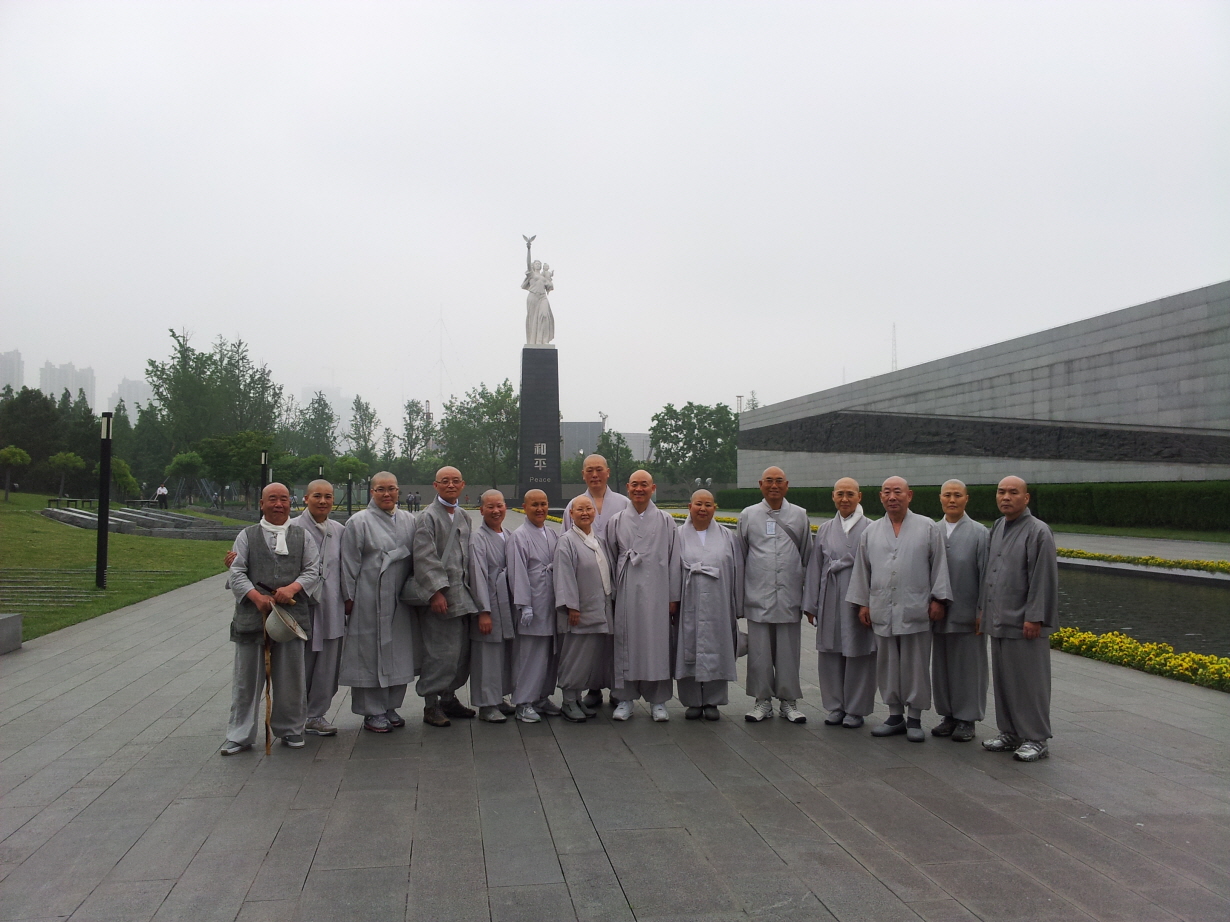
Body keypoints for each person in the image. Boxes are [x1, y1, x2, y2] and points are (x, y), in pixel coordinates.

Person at [847, 476, 952, 743]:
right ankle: (895, 715)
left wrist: (939, 600)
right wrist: (863, 603)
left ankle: (914, 717)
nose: (892, 497)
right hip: (882, 607)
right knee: (887, 664)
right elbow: (862, 570)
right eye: (887, 492)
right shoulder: (870, 531)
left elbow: (939, 565)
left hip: (916, 607)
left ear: (909, 495)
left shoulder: (927, 527)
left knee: (916, 664)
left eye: (897, 492)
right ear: (880, 497)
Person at [221, 482, 320, 755]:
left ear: (291, 503)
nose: (279, 504)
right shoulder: (247, 535)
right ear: (262, 504)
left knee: (291, 678)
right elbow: (237, 571)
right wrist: (256, 597)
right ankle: (240, 734)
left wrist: (292, 589)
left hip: (291, 619)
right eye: (272, 499)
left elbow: (312, 570)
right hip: (252, 619)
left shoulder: (303, 536)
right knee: (246, 680)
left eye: (284, 499)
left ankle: (291, 729)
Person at [979, 476, 1059, 762]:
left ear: (1026, 498)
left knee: (1030, 682)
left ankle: (1036, 738)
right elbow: (989, 573)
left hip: (1025, 622)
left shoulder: (1038, 531)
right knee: (1004, 681)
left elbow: (1043, 577)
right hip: (999, 618)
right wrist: (984, 610)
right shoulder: (998, 526)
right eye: (1001, 492)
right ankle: (1010, 732)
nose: (1006, 497)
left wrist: (1035, 617)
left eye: (1013, 492)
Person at [339, 471, 416, 733]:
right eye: (381, 489)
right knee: (368, 653)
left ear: (398, 491)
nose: (387, 494)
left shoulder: (409, 520)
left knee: (398, 651)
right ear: (372, 492)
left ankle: (391, 705)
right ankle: (372, 711)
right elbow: (349, 564)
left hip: (399, 597)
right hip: (368, 597)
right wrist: (348, 598)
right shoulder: (358, 521)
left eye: (391, 488)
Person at [738, 466, 811, 724]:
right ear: (760, 484)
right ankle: (762, 701)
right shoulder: (748, 515)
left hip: (789, 596)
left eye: (779, 481)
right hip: (758, 596)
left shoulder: (800, 515)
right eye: (769, 481)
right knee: (759, 653)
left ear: (787, 485)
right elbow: (741, 556)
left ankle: (789, 702)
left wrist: (808, 597)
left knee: (788, 653)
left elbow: (807, 556)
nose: (774, 485)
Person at [605, 470, 679, 721]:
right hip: (627, 590)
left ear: (653, 488)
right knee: (626, 643)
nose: (639, 489)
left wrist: (673, 596)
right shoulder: (616, 520)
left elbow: (674, 559)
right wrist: (613, 591)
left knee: (657, 644)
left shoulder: (666, 520)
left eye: (644, 485)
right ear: (627, 487)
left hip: (658, 591)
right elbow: (610, 557)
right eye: (635, 485)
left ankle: (658, 700)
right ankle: (624, 698)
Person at [802, 477, 876, 729]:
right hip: (830, 595)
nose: (845, 499)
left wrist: (870, 602)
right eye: (840, 494)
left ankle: (856, 709)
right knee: (830, 651)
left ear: (859, 497)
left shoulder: (871, 528)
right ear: (833, 496)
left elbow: (876, 568)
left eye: (850, 494)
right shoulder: (824, 529)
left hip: (858, 598)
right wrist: (811, 604)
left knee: (859, 652)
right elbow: (815, 567)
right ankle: (835, 706)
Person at [409, 466, 479, 727]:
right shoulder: (427, 517)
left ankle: (448, 698)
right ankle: (431, 704)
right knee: (439, 653)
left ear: (463, 485)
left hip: (462, 596)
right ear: (435, 485)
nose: (451, 485)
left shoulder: (463, 516)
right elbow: (424, 557)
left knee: (459, 654)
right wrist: (436, 592)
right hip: (440, 599)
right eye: (445, 481)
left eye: (455, 481)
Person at [561, 453, 632, 710]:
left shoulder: (624, 503)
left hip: (618, 581)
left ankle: (617, 687)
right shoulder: (575, 504)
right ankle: (592, 687)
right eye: (589, 470)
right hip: (586, 587)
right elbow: (566, 549)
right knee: (589, 641)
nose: (594, 474)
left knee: (614, 640)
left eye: (599, 469)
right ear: (583, 474)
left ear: (608, 472)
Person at [671, 490, 743, 721]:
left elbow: (738, 570)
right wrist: (672, 600)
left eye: (708, 505)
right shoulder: (677, 535)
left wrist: (738, 603)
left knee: (718, 646)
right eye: (698, 504)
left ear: (715, 508)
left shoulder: (728, 536)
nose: (703, 509)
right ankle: (692, 700)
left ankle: (713, 700)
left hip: (719, 601)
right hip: (688, 600)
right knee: (687, 645)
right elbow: (670, 570)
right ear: (689, 506)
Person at [931, 479, 990, 743]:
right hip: (938, 613)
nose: (952, 500)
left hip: (968, 614)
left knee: (969, 667)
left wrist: (982, 611)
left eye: (957, 495)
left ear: (967, 499)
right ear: (940, 498)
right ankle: (948, 715)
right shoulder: (932, 530)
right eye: (947, 495)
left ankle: (967, 718)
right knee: (942, 666)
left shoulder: (979, 533)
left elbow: (987, 575)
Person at [292, 479, 348, 736]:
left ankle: (316, 715)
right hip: (301, 606)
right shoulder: (292, 528)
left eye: (328, 496)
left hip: (332, 606)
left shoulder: (340, 530)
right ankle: (294, 715)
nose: (323, 501)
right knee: (299, 664)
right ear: (306, 498)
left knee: (328, 665)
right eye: (317, 496)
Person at [553, 495, 615, 722]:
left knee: (588, 658)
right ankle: (568, 701)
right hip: (579, 612)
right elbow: (564, 576)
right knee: (574, 656)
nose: (585, 513)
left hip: (599, 608)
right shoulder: (567, 541)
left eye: (589, 508)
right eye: (579, 509)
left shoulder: (598, 540)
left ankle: (577, 698)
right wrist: (572, 606)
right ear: (571, 514)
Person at [508, 489, 561, 722]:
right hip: (533, 602)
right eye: (535, 505)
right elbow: (517, 573)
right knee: (530, 655)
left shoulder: (552, 533)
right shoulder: (519, 536)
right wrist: (524, 605)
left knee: (549, 654)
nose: (540, 509)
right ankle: (523, 701)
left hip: (551, 601)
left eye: (543, 504)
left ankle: (541, 696)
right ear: (525, 507)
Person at [468, 489, 518, 722]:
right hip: (489, 602)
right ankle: (486, 704)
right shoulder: (477, 538)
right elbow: (477, 575)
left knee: (503, 653)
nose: (496, 511)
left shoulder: (509, 535)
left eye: (499, 505)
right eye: (490, 507)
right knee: (487, 655)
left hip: (507, 601)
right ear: (481, 510)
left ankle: (498, 697)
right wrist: (483, 612)